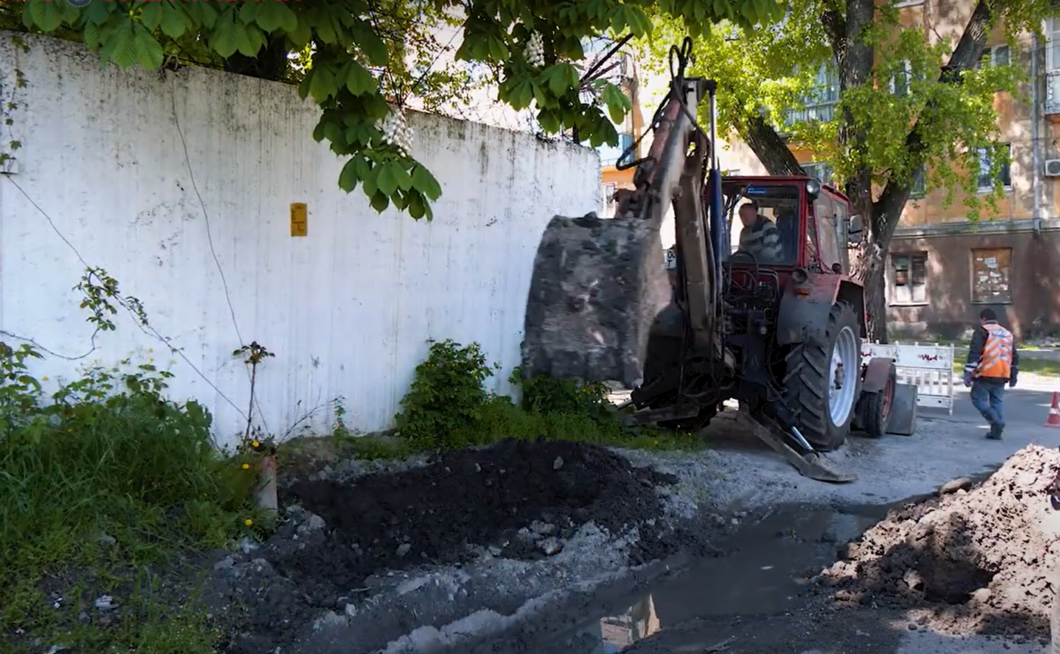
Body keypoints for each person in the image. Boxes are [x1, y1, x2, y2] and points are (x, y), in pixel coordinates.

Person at [963, 308, 1019, 440]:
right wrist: (1013, 375)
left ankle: (995, 421)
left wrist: (968, 372)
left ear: (983, 319)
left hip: (986, 373)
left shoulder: (983, 331)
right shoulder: (1007, 334)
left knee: (977, 398)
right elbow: (1015, 356)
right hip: (1003, 374)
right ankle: (996, 431)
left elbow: (974, 353)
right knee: (997, 401)